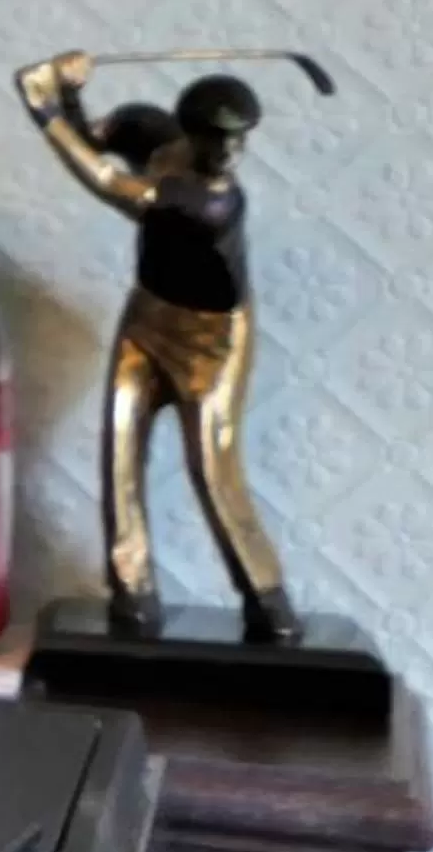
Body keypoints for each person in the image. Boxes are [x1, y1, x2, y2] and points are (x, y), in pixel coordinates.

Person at [16, 51, 298, 644]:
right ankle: (133, 596)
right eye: (216, 139)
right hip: (148, 320)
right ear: (188, 132)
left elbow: (105, 181)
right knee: (119, 457)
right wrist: (70, 96)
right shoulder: (152, 134)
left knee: (213, 471)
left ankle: (268, 602)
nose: (227, 154)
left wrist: (42, 109)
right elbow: (97, 140)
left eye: (238, 142)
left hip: (212, 340)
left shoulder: (214, 202)